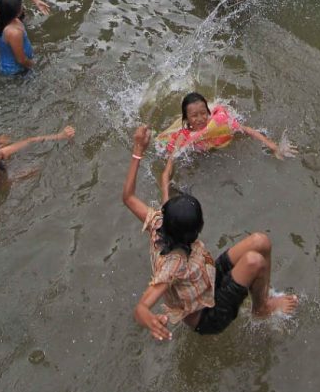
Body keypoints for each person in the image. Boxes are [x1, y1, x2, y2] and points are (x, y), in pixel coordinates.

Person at [122, 126, 298, 341]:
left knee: (260, 241)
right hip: (208, 316)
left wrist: (138, 149)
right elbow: (141, 307)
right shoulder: (173, 265)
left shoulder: (159, 221)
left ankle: (261, 293)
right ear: (197, 230)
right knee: (254, 261)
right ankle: (261, 309)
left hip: (209, 278)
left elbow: (128, 197)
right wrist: (148, 319)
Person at [157, 92, 296, 159]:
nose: (200, 119)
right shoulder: (184, 135)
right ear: (187, 119)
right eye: (194, 116)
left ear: (208, 112)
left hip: (215, 139)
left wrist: (272, 146)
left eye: (203, 113)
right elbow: (171, 159)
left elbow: (246, 129)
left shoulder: (218, 124)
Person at [0, 0, 34, 74]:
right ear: (16, 12)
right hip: (16, 70)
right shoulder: (14, 33)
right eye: (21, 5)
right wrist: (34, 64)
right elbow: (21, 60)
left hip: (22, 62)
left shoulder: (13, 20)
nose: (23, 6)